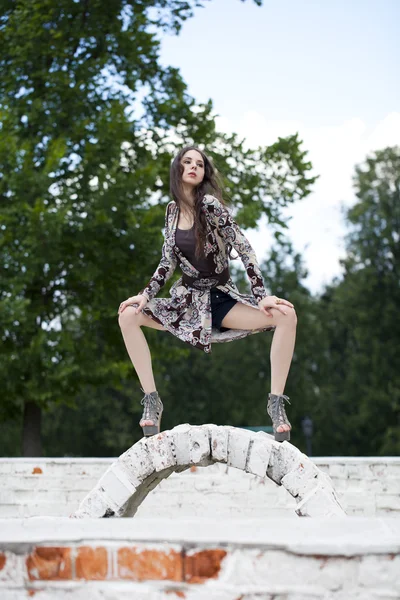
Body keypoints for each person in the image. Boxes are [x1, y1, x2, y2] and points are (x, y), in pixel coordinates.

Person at [118, 146, 296, 442]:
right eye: (186, 162)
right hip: (187, 304)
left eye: (199, 164)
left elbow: (244, 246)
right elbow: (167, 262)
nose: (193, 166)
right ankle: (152, 401)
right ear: (177, 169)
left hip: (221, 300)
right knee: (127, 316)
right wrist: (145, 296)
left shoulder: (210, 206)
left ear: (203, 174)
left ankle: (276, 405)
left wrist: (262, 294)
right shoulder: (172, 212)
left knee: (286, 315)